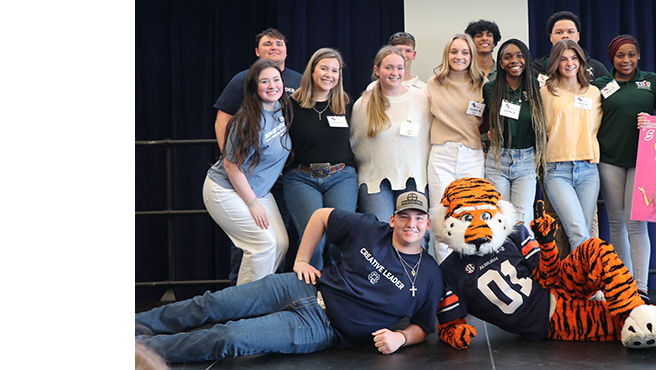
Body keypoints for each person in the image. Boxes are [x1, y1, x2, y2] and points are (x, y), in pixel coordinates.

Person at [135, 191, 442, 363]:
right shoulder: (370, 229)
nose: (410, 224)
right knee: (211, 304)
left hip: (321, 328)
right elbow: (322, 216)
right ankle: (139, 325)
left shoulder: (429, 274)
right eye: (403, 216)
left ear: (427, 224)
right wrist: (302, 259)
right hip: (301, 286)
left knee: (230, 338)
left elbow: (424, 326)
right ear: (393, 218)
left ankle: (143, 353)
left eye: (418, 218)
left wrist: (400, 337)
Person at [213, 28, 303, 284]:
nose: (274, 48)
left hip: (283, 176)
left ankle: (268, 295)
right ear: (257, 51)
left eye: (279, 44)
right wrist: (233, 161)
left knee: (278, 239)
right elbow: (223, 121)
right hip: (247, 177)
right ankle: (238, 294)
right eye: (267, 44)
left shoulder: (298, 80)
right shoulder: (242, 80)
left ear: (287, 50)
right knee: (252, 239)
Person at [592, 34, 656, 302]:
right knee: (616, 222)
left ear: (639, 56)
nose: (626, 60)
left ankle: (642, 287)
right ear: (612, 58)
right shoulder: (600, 85)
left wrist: (653, 121)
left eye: (631, 55)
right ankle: (622, 284)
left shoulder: (652, 81)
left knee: (637, 223)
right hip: (609, 159)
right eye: (620, 55)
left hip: (643, 161)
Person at [283, 48, 358, 271]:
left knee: (340, 239)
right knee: (313, 242)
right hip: (301, 178)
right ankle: (309, 296)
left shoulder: (345, 103)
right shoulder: (290, 104)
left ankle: (336, 293)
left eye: (334, 70)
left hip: (341, 177)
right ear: (312, 70)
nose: (329, 74)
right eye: (324, 68)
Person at [351, 46, 432, 223]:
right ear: (377, 70)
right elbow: (354, 145)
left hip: (414, 178)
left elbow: (430, 138)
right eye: (388, 67)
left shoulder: (421, 98)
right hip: (375, 182)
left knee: (414, 235)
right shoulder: (363, 104)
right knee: (380, 236)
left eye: (399, 67)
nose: (395, 72)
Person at [426, 33, 488, 263]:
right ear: (447, 54)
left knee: (471, 216)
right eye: (454, 52)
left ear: (471, 56)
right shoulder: (435, 83)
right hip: (442, 154)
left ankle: (469, 276)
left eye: (464, 52)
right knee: (442, 217)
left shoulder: (482, 84)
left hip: (472, 155)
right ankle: (445, 279)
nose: (458, 57)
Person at [539, 40, 602, 252]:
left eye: (574, 58)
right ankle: (582, 284)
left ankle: (581, 282)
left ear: (581, 61)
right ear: (555, 62)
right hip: (558, 170)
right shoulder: (545, 93)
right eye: (563, 59)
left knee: (585, 229)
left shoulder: (593, 92)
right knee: (577, 231)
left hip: (588, 169)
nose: (569, 63)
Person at [482, 38, 547, 227]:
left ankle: (522, 257)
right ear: (500, 63)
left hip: (526, 160)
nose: (514, 61)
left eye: (519, 56)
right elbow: (483, 122)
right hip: (497, 159)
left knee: (521, 220)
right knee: (498, 217)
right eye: (507, 57)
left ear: (526, 59)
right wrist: (488, 133)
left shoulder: (536, 87)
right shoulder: (490, 88)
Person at [531, 11, 609, 86]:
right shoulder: (537, 68)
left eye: (570, 32)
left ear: (578, 36)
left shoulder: (596, 67)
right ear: (551, 37)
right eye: (559, 32)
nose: (565, 36)